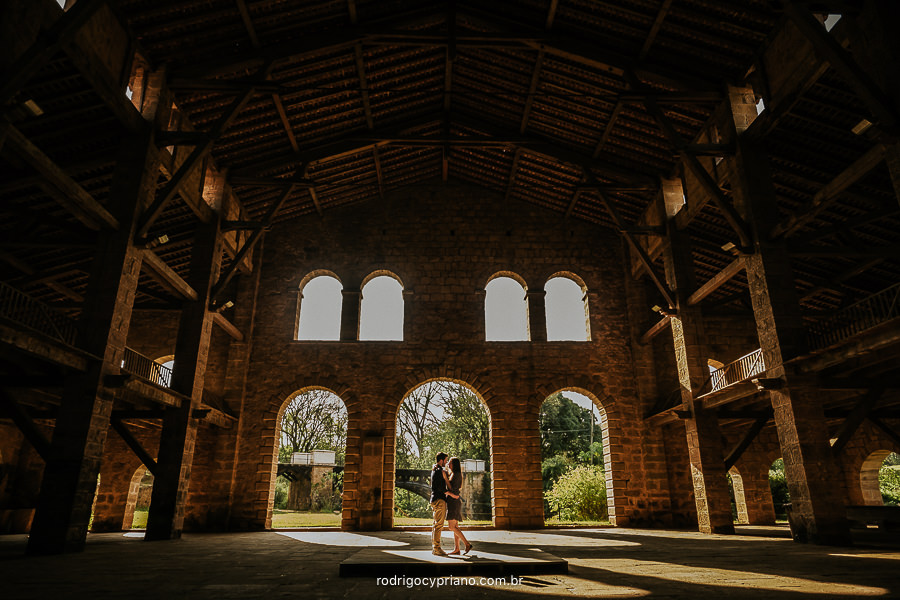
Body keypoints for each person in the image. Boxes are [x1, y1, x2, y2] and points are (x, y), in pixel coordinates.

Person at [443, 456, 472, 555]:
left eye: (450, 462)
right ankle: (457, 549)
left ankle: (467, 544)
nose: (448, 464)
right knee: (455, 527)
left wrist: (446, 484)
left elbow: (453, 492)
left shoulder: (456, 475)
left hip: (453, 503)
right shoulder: (454, 474)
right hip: (453, 502)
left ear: (454, 464)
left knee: (451, 527)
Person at [429, 452, 449, 556]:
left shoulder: (435, 470)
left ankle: (435, 548)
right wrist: (450, 493)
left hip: (435, 500)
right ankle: (436, 548)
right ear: (441, 460)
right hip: (439, 500)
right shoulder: (439, 471)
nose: (446, 462)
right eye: (446, 460)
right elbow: (441, 488)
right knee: (438, 525)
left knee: (436, 524)